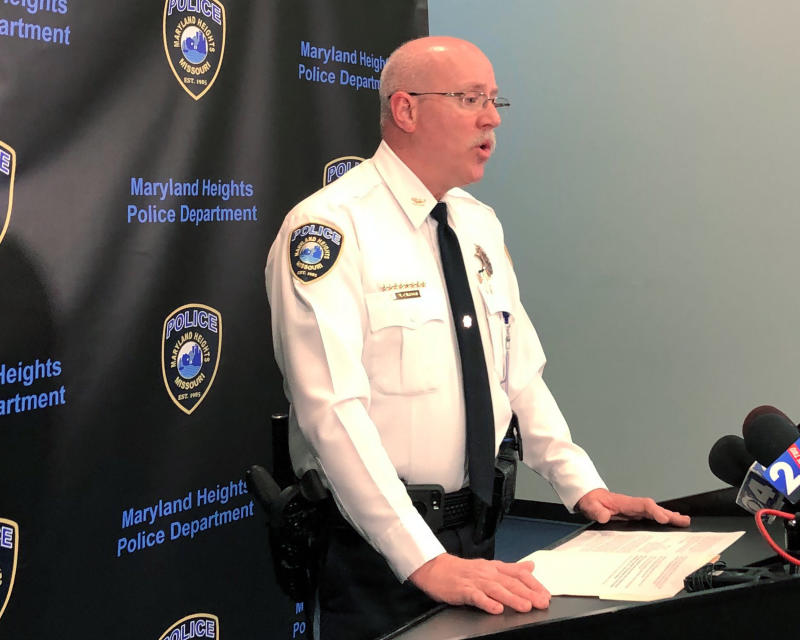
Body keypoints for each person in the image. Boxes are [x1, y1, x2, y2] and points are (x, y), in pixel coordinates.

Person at [265, 36, 689, 640]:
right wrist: (421, 559)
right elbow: (332, 413)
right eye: (469, 99)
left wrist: (582, 485)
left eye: (494, 100)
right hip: (376, 546)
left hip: (478, 532)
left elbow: (519, 376)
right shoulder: (329, 229)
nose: (491, 117)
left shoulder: (477, 222)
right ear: (406, 110)